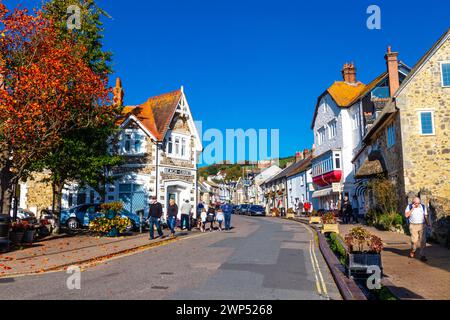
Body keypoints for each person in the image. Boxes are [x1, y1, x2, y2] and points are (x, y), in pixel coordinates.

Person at [405, 197, 429, 262]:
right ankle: (413, 250)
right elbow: (406, 215)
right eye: (415, 203)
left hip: (422, 225)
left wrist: (428, 224)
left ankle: (422, 255)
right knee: (414, 241)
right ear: (413, 202)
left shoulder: (423, 207)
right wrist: (412, 208)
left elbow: (425, 216)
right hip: (413, 225)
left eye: (418, 203)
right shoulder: (409, 207)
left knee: (423, 241)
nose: (417, 204)